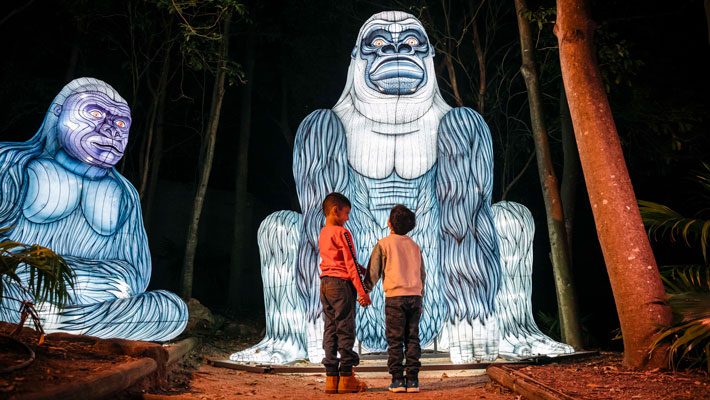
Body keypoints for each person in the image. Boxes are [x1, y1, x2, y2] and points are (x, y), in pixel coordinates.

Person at [365, 204, 426, 393]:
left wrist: (365, 290)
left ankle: (398, 380)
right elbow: (422, 275)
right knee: (412, 338)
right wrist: (421, 297)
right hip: (415, 297)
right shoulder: (415, 247)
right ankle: (413, 380)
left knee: (395, 339)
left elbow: (373, 272)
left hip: (394, 298)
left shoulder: (384, 244)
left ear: (389, 223)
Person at [318, 192, 371, 393]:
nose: (348, 217)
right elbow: (349, 264)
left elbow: (338, 259)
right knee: (345, 328)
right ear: (335, 210)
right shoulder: (343, 233)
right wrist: (362, 291)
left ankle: (331, 378)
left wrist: (361, 268)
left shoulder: (324, 232)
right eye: (346, 213)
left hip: (326, 284)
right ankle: (347, 377)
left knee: (330, 328)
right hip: (341, 285)